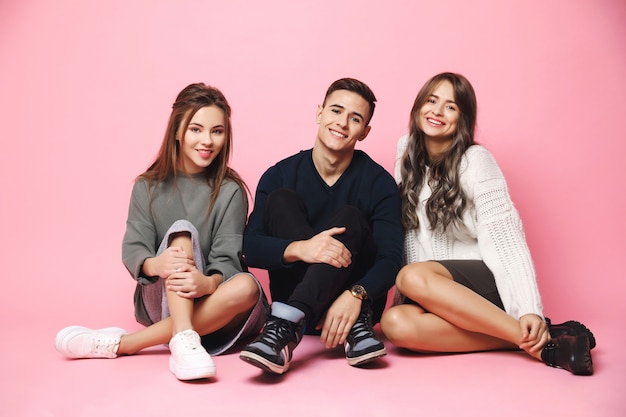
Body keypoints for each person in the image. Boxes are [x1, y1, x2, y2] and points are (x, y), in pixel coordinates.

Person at [380, 72, 595, 376]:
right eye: (431, 101)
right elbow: (412, 232)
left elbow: (506, 238)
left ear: (463, 119)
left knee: (411, 276)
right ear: (417, 108)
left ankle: (537, 339)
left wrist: (528, 307)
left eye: (451, 107)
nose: (437, 112)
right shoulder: (406, 151)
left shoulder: (476, 161)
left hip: (481, 282)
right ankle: (544, 338)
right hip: (434, 289)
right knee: (395, 324)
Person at [55, 83, 268, 381]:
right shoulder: (147, 186)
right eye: (196, 129)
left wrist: (206, 284)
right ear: (177, 132)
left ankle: (126, 344)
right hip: (162, 303)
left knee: (248, 286)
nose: (207, 140)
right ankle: (181, 336)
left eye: (217, 131)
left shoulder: (229, 191)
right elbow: (134, 247)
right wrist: (158, 264)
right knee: (181, 233)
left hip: (221, 306)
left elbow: (228, 258)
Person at [239, 78, 403, 374]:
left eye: (355, 118)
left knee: (351, 218)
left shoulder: (379, 183)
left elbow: (392, 259)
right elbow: (250, 248)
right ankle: (290, 323)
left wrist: (357, 293)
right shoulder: (279, 174)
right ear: (320, 113)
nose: (342, 123)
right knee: (281, 200)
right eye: (336, 111)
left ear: (364, 132)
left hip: (351, 312)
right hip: (295, 301)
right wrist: (303, 249)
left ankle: (287, 326)